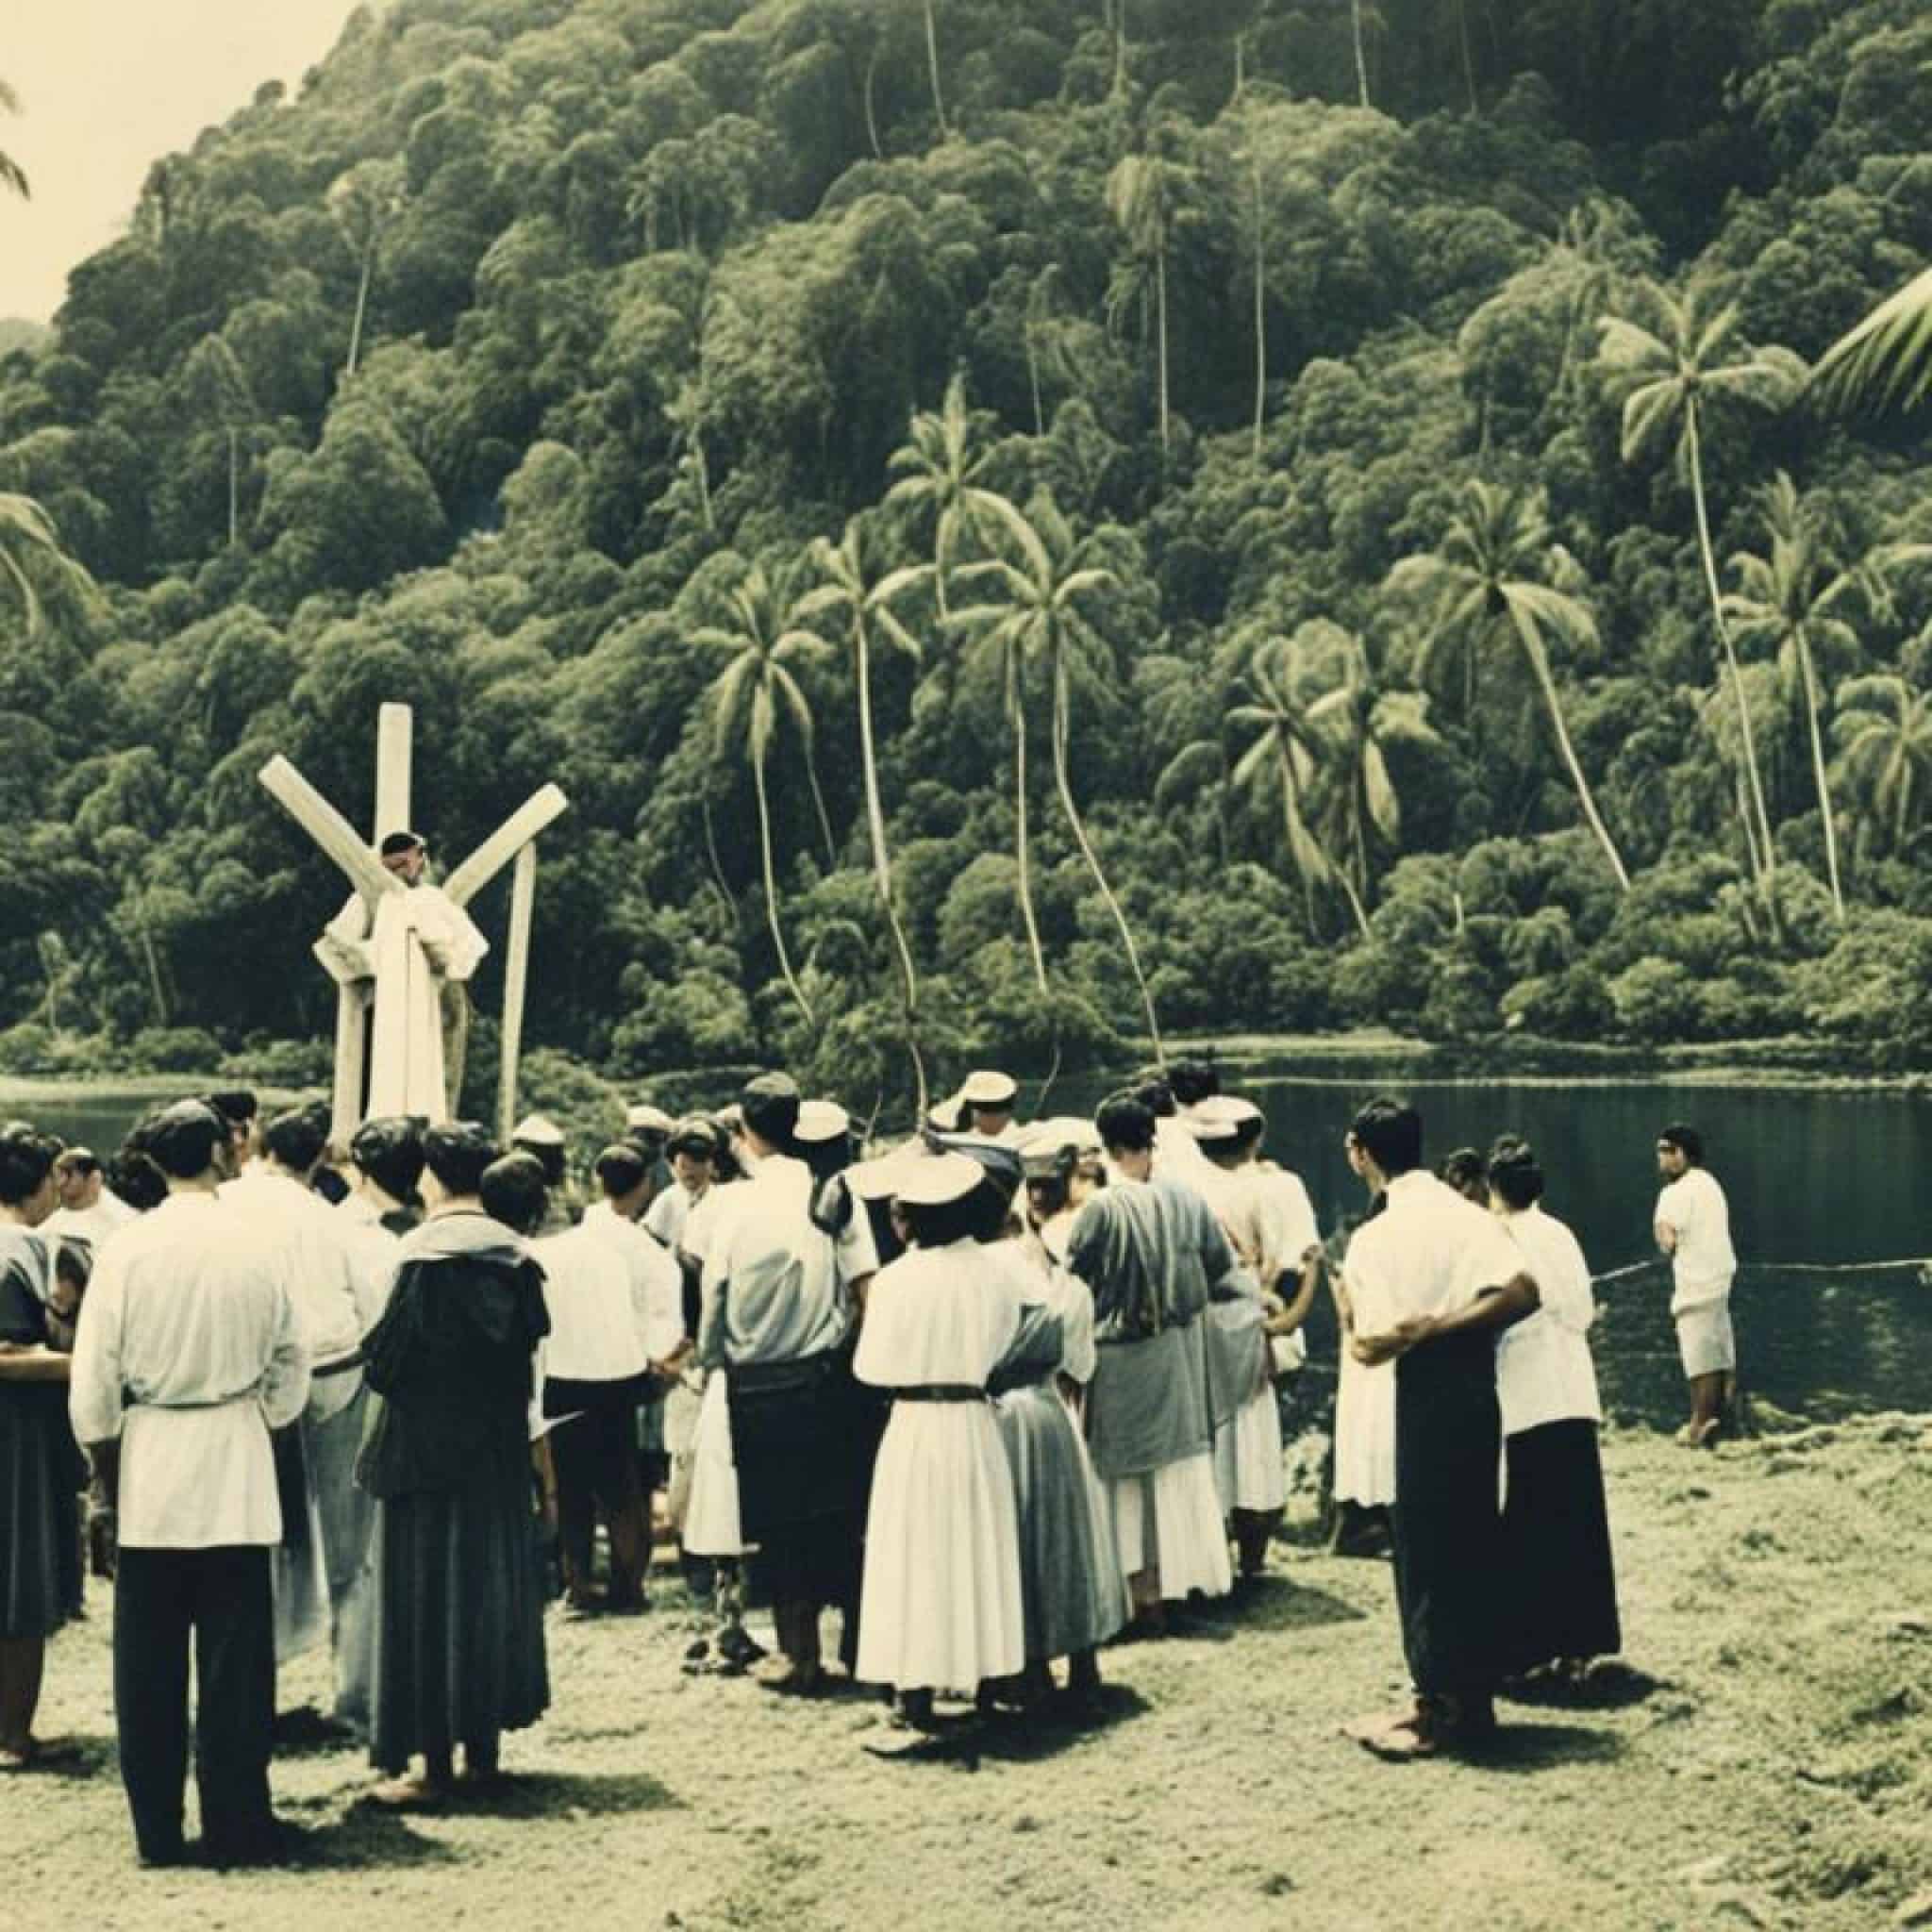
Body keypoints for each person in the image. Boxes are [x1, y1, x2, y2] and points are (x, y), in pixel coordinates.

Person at [68, 1098, 311, 1867]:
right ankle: (239, 1822)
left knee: (148, 1666)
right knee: (238, 1664)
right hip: (234, 1455)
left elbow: (93, 1386)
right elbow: (291, 1359)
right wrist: (260, 1414)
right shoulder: (256, 1245)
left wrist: (106, 1480)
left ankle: (158, 1830)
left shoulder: (130, 1249)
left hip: (154, 1462)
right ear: (216, 1151)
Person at [355, 1124, 550, 1807]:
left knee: (423, 1596)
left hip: (421, 1453)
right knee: (487, 1589)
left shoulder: (414, 1258)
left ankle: (431, 1765)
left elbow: (383, 1365)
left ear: (431, 1178)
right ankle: (484, 1754)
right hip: (494, 1451)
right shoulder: (519, 1259)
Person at [1340, 1096, 1540, 1761]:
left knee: (1424, 1552)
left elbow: (1371, 1343)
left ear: (1360, 1153)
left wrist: (1419, 1330)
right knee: (1474, 1535)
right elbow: (1519, 1293)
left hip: (1416, 1395)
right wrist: (1449, 1325)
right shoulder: (1468, 1215)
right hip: (1475, 1390)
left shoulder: (1374, 1238)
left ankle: (1441, 1706)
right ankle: (1469, 1697)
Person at [702, 1074, 878, 1693]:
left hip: (757, 1383)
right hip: (825, 1376)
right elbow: (867, 1293)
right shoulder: (832, 1194)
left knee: (776, 1525)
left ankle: (798, 1654)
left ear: (744, 1132)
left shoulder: (732, 1204)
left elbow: (714, 1298)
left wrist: (711, 1363)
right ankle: (860, 1647)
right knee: (835, 1515)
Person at [854, 1150, 1029, 1752]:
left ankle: (917, 1696)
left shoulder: (897, 1279)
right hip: (973, 1420)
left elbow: (870, 1366)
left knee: (915, 1554)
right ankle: (986, 1683)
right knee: (976, 1548)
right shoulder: (995, 1273)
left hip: (915, 1424)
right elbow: (1006, 1341)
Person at [1062, 1095, 1249, 1632]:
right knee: (1175, 1473)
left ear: (1106, 1146)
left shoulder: (1099, 1209)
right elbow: (1222, 1269)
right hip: (1174, 1352)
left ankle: (1135, 1595)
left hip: (1117, 1355)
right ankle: (1176, 1586)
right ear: (1150, 1143)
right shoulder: (1186, 1200)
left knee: (1121, 1478)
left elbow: (1073, 1283)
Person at [222, 1108, 374, 1678]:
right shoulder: (328, 1218)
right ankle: (350, 1679)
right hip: (333, 1371)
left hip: (252, 1381)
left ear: (259, 1146)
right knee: (346, 1539)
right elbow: (368, 1308)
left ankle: (254, 1669)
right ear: (318, 1159)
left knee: (253, 1531)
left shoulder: (229, 1205)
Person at [1487, 1137, 1620, 1678]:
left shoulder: (1499, 1238)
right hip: (1571, 1386)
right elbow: (1583, 1312)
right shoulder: (1560, 1232)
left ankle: (1530, 1647)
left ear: (1495, 1190)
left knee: (1530, 1520)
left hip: (1526, 1390)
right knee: (1578, 1518)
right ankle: (1580, 1646)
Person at [532, 1141, 657, 1615]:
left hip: (563, 1376)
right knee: (621, 1487)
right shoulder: (634, 1248)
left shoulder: (551, 1252)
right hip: (617, 1376)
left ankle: (579, 1585)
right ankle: (629, 1587)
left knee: (573, 1487)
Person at [0, 1124, 85, 1772]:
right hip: (16, 1435)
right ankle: (13, 1734)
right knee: (21, 1579)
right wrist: (81, 1364)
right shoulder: (17, 1248)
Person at [315, 831, 489, 1119]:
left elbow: (470, 944)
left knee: (424, 1062)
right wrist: (372, 958)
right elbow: (336, 937)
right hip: (388, 1000)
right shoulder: (372, 898)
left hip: (425, 999)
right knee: (389, 1061)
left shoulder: (432, 899)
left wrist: (442, 959)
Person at [1653, 1124, 1737, 1447]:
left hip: (1695, 1286)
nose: (1661, 1158)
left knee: (1699, 1360)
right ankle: (1724, 1421)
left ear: (1683, 1154)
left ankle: (1700, 1425)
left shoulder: (1673, 1193)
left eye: (1667, 1151)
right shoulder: (1710, 1183)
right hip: (1720, 1281)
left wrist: (1663, 1237)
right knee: (1720, 1356)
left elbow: (1667, 1240)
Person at [40, 1146, 136, 1250]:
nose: (59, 1183)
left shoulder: (126, 1219)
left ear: (94, 1178)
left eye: (67, 1174)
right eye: (56, 1175)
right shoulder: (49, 1225)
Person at [958, 1071, 1023, 1144]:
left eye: (995, 1108)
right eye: (983, 1107)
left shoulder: (1030, 1139)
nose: (989, 1117)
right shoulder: (960, 1144)